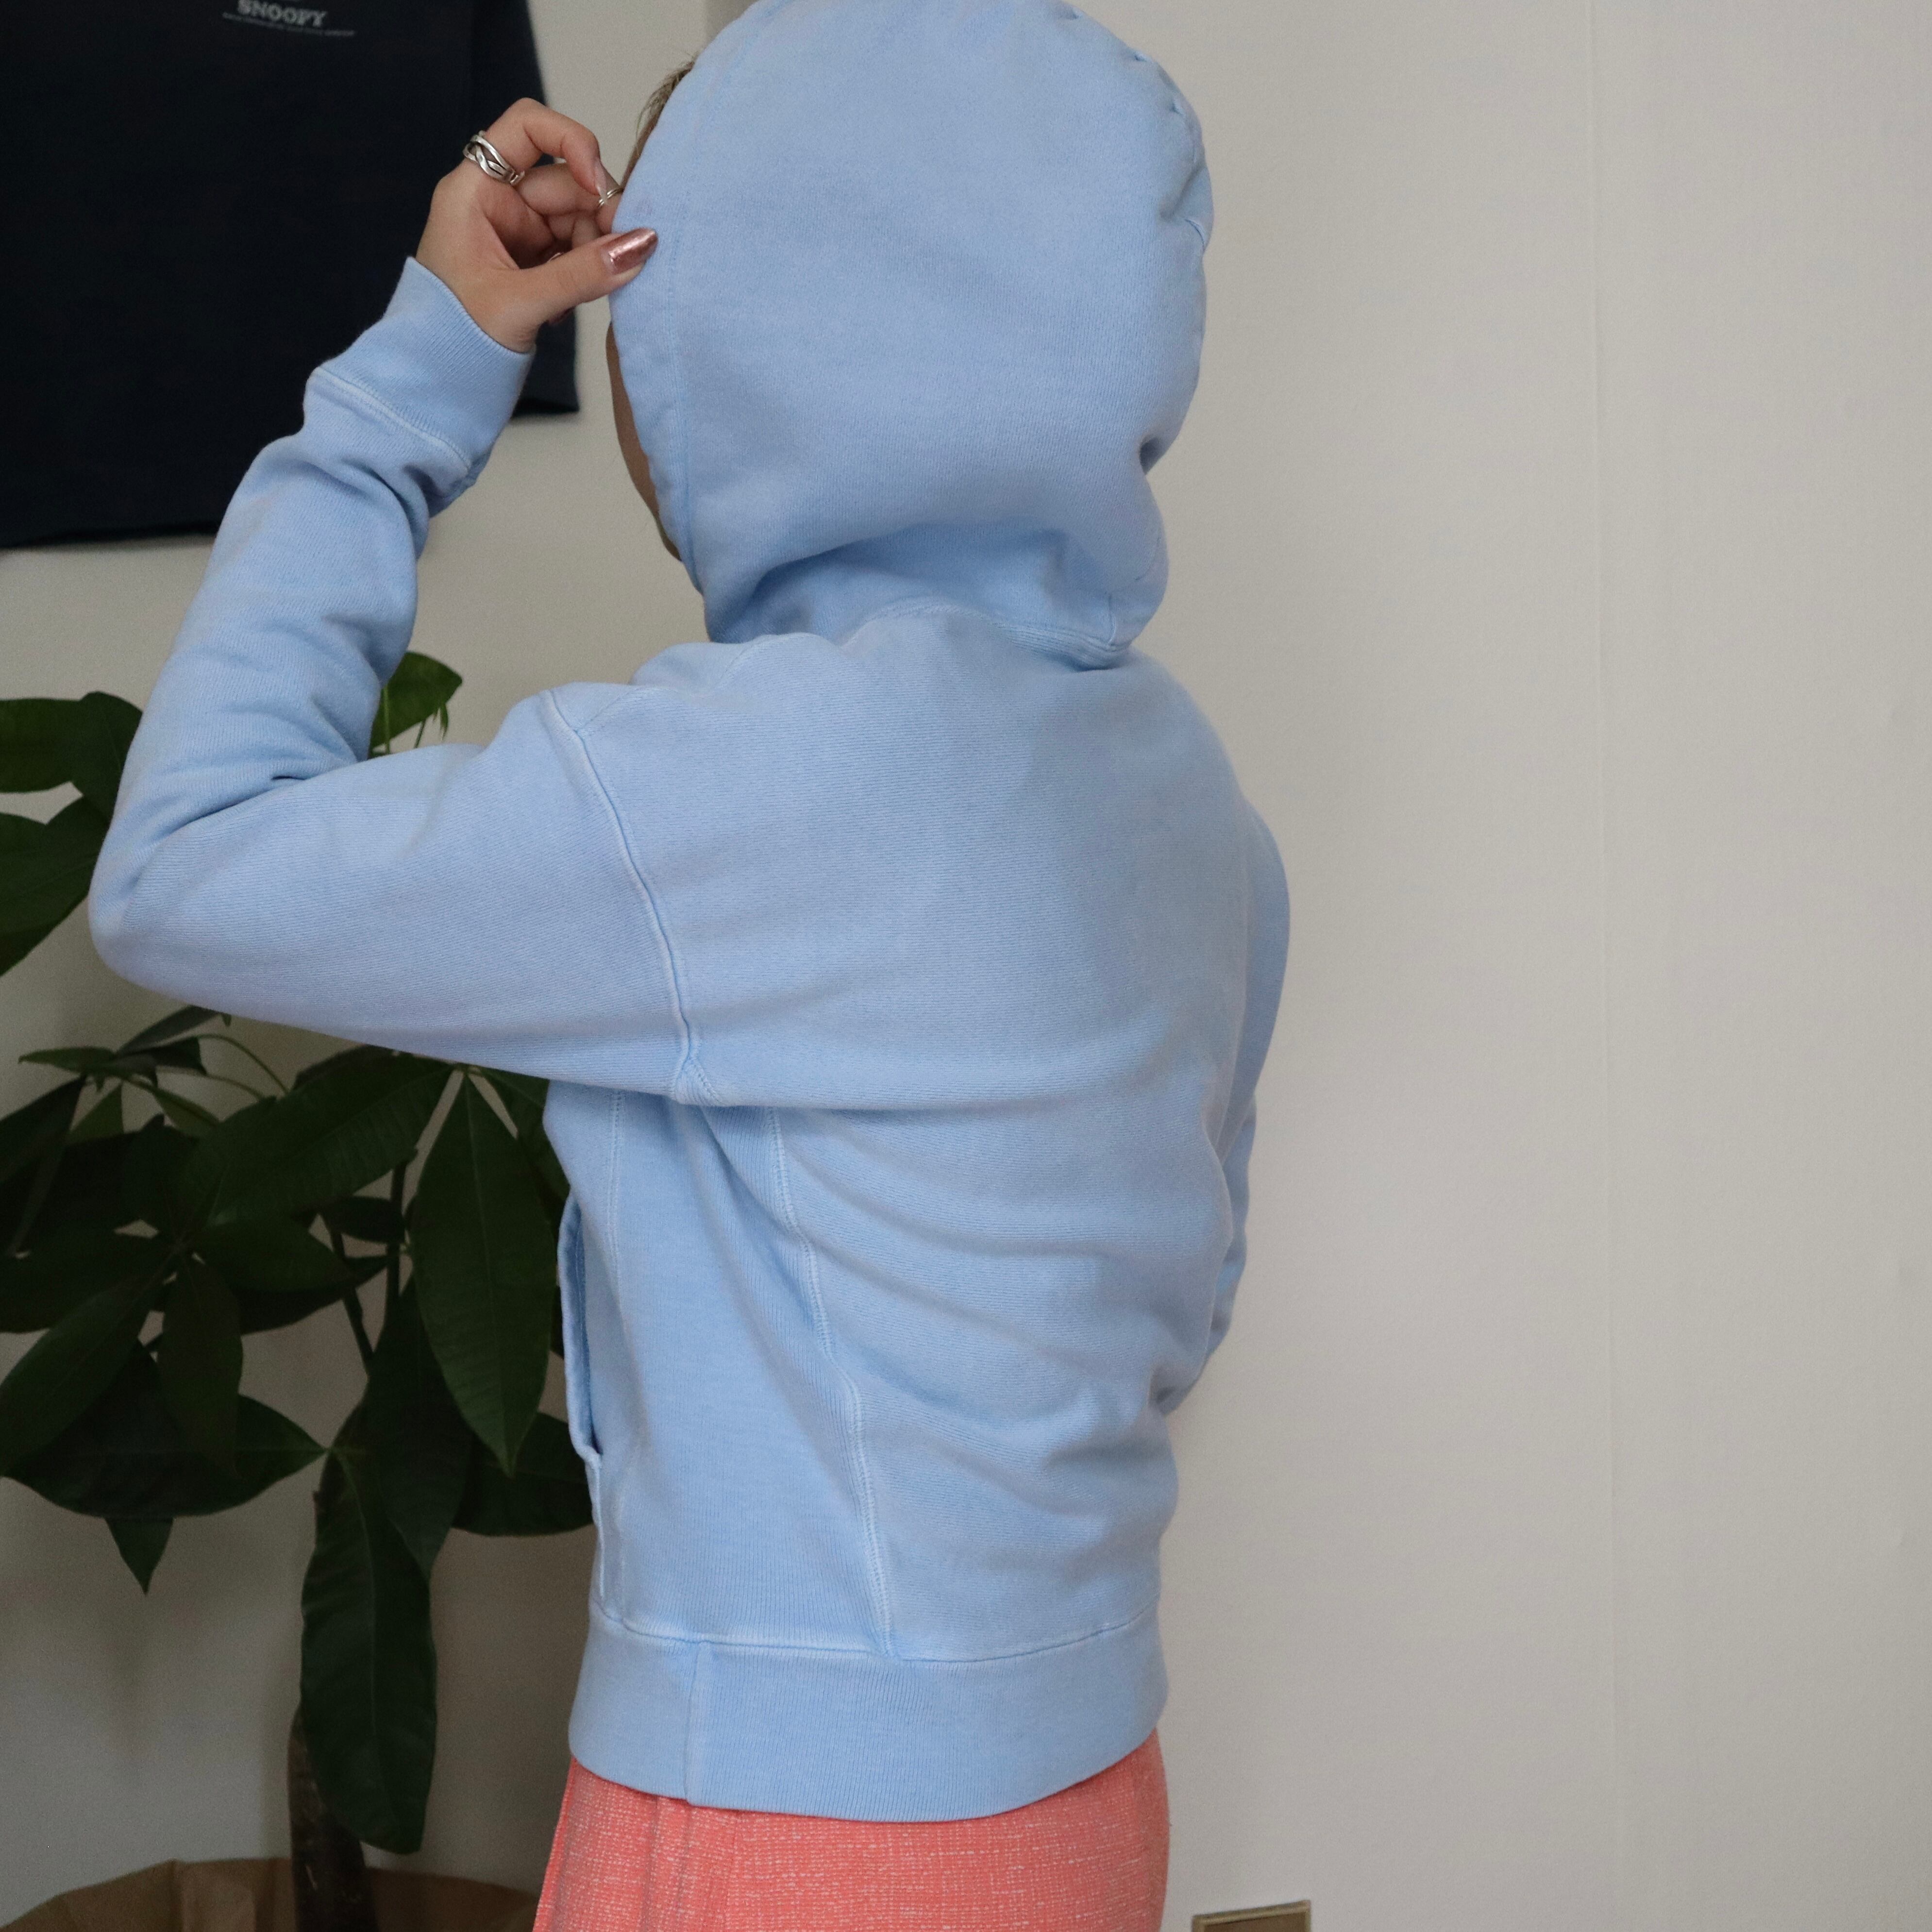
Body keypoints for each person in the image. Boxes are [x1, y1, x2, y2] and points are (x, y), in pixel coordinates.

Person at [89, 1, 1288, 1925]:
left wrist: (416, 384)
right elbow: (1182, 1288)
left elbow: (176, 870)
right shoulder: (1182, 785)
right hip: (1079, 1789)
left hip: (788, 1830)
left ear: (745, 345)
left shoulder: (741, 781)